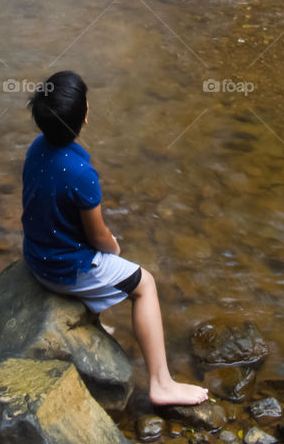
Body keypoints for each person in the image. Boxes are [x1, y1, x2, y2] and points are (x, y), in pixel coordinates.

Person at [21, 69, 208, 407]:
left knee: (98, 257)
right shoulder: (82, 175)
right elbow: (97, 234)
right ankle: (161, 382)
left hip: (35, 256)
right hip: (62, 271)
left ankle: (94, 323)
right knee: (144, 283)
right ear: (85, 117)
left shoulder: (36, 148)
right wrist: (114, 248)